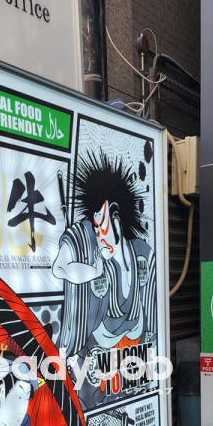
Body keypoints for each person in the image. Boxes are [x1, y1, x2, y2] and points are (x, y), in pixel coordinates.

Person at [52, 152, 156, 362]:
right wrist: (92, 272)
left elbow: (152, 321)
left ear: (117, 220)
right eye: (96, 228)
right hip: (93, 365)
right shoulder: (86, 242)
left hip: (134, 363)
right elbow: (60, 267)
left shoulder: (141, 253)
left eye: (103, 226)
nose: (99, 236)